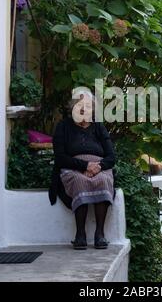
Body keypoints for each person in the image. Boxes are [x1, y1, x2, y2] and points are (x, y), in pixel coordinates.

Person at [48, 91, 115, 250]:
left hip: (99, 168)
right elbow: (60, 157)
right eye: (80, 106)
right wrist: (84, 166)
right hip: (73, 168)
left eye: (87, 106)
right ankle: (80, 235)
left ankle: (100, 234)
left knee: (104, 180)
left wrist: (97, 167)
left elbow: (111, 157)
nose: (84, 109)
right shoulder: (63, 127)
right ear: (73, 108)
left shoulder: (98, 127)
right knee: (80, 181)